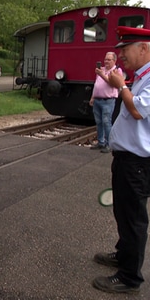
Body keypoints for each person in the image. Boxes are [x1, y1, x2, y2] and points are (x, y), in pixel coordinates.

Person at [92, 26, 150, 294]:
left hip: (137, 163)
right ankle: (123, 254)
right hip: (127, 160)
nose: (121, 56)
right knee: (123, 213)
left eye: (124, 50)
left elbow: (137, 110)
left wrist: (121, 86)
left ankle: (129, 278)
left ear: (144, 48)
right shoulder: (142, 76)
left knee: (133, 218)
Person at [89, 52, 122, 153]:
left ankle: (109, 144)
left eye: (109, 60)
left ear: (114, 61)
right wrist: (92, 97)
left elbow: (115, 84)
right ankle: (101, 142)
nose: (106, 61)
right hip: (97, 100)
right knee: (99, 122)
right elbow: (97, 84)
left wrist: (102, 75)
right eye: (105, 59)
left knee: (107, 122)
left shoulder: (117, 71)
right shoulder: (101, 70)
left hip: (108, 101)